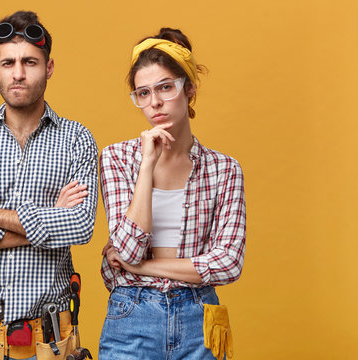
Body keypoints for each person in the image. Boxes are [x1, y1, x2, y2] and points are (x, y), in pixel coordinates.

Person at [0, 11, 98, 360]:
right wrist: (51, 218)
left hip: (50, 340)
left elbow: (82, 225)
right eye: (8, 62)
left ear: (49, 66)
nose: (19, 73)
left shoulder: (77, 139)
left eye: (30, 62)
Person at [98, 28, 246, 360]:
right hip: (132, 316)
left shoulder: (224, 169)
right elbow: (127, 249)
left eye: (166, 87)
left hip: (200, 318)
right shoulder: (117, 158)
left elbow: (228, 263)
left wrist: (143, 268)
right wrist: (147, 164)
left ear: (189, 88)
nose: (155, 103)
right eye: (143, 93)